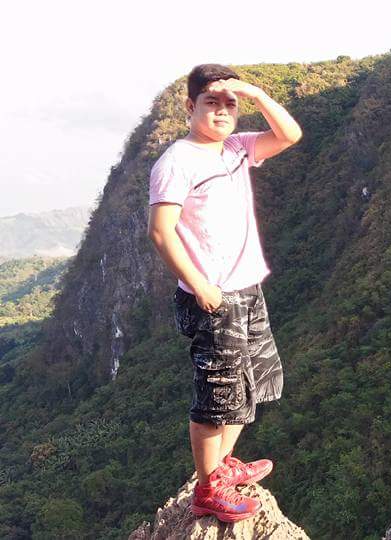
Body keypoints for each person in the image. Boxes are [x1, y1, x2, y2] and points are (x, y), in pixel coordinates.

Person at [146, 63, 302, 522]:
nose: (221, 111)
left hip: (247, 287)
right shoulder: (177, 161)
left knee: (250, 385)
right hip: (213, 298)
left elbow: (289, 135)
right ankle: (207, 488)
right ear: (189, 105)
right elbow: (161, 232)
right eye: (211, 102)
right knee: (216, 397)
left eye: (229, 104)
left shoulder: (236, 148)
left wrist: (256, 95)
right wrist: (200, 287)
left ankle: (221, 468)